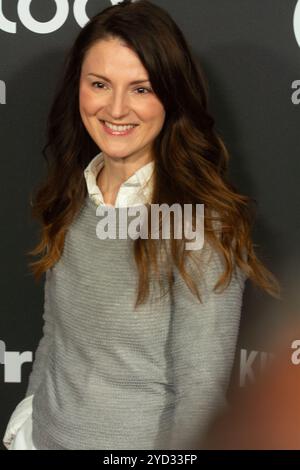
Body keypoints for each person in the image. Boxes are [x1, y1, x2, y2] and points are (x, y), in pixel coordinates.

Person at [3, 0, 280, 450]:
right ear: (79, 87)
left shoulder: (198, 226)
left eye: (141, 89)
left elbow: (200, 401)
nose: (115, 109)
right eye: (99, 84)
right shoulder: (72, 195)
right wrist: (28, 425)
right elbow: (57, 336)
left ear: (171, 96)